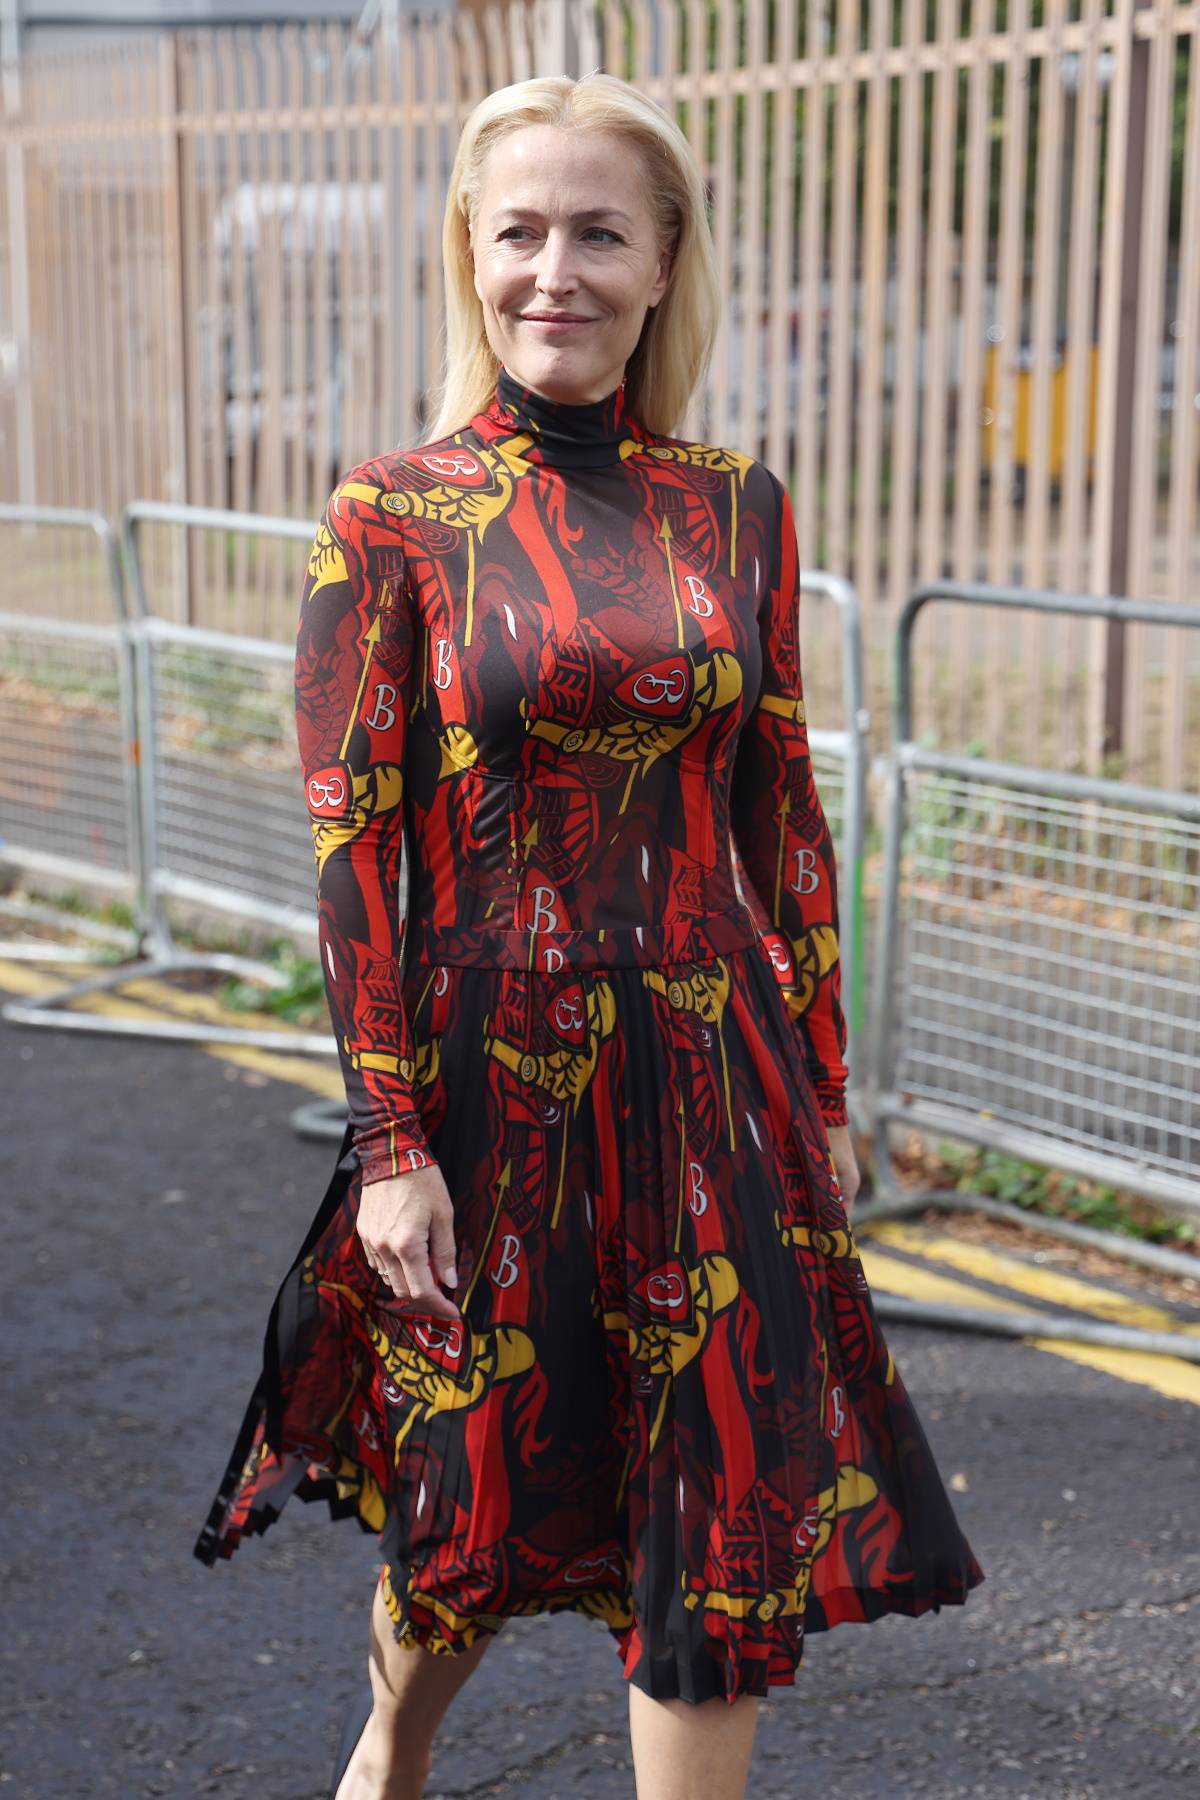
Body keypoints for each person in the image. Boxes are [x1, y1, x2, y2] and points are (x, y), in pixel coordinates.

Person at [193, 69, 984, 1800]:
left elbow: (783, 812)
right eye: (520, 229)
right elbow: (355, 852)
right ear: (469, 252)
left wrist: (823, 1093)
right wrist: (390, 1143)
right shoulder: (391, 515)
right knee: (472, 1513)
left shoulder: (734, 505)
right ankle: (390, 1758)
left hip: (720, 1078)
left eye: (600, 231)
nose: (557, 268)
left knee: (722, 1527)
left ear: (664, 257)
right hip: (489, 1092)